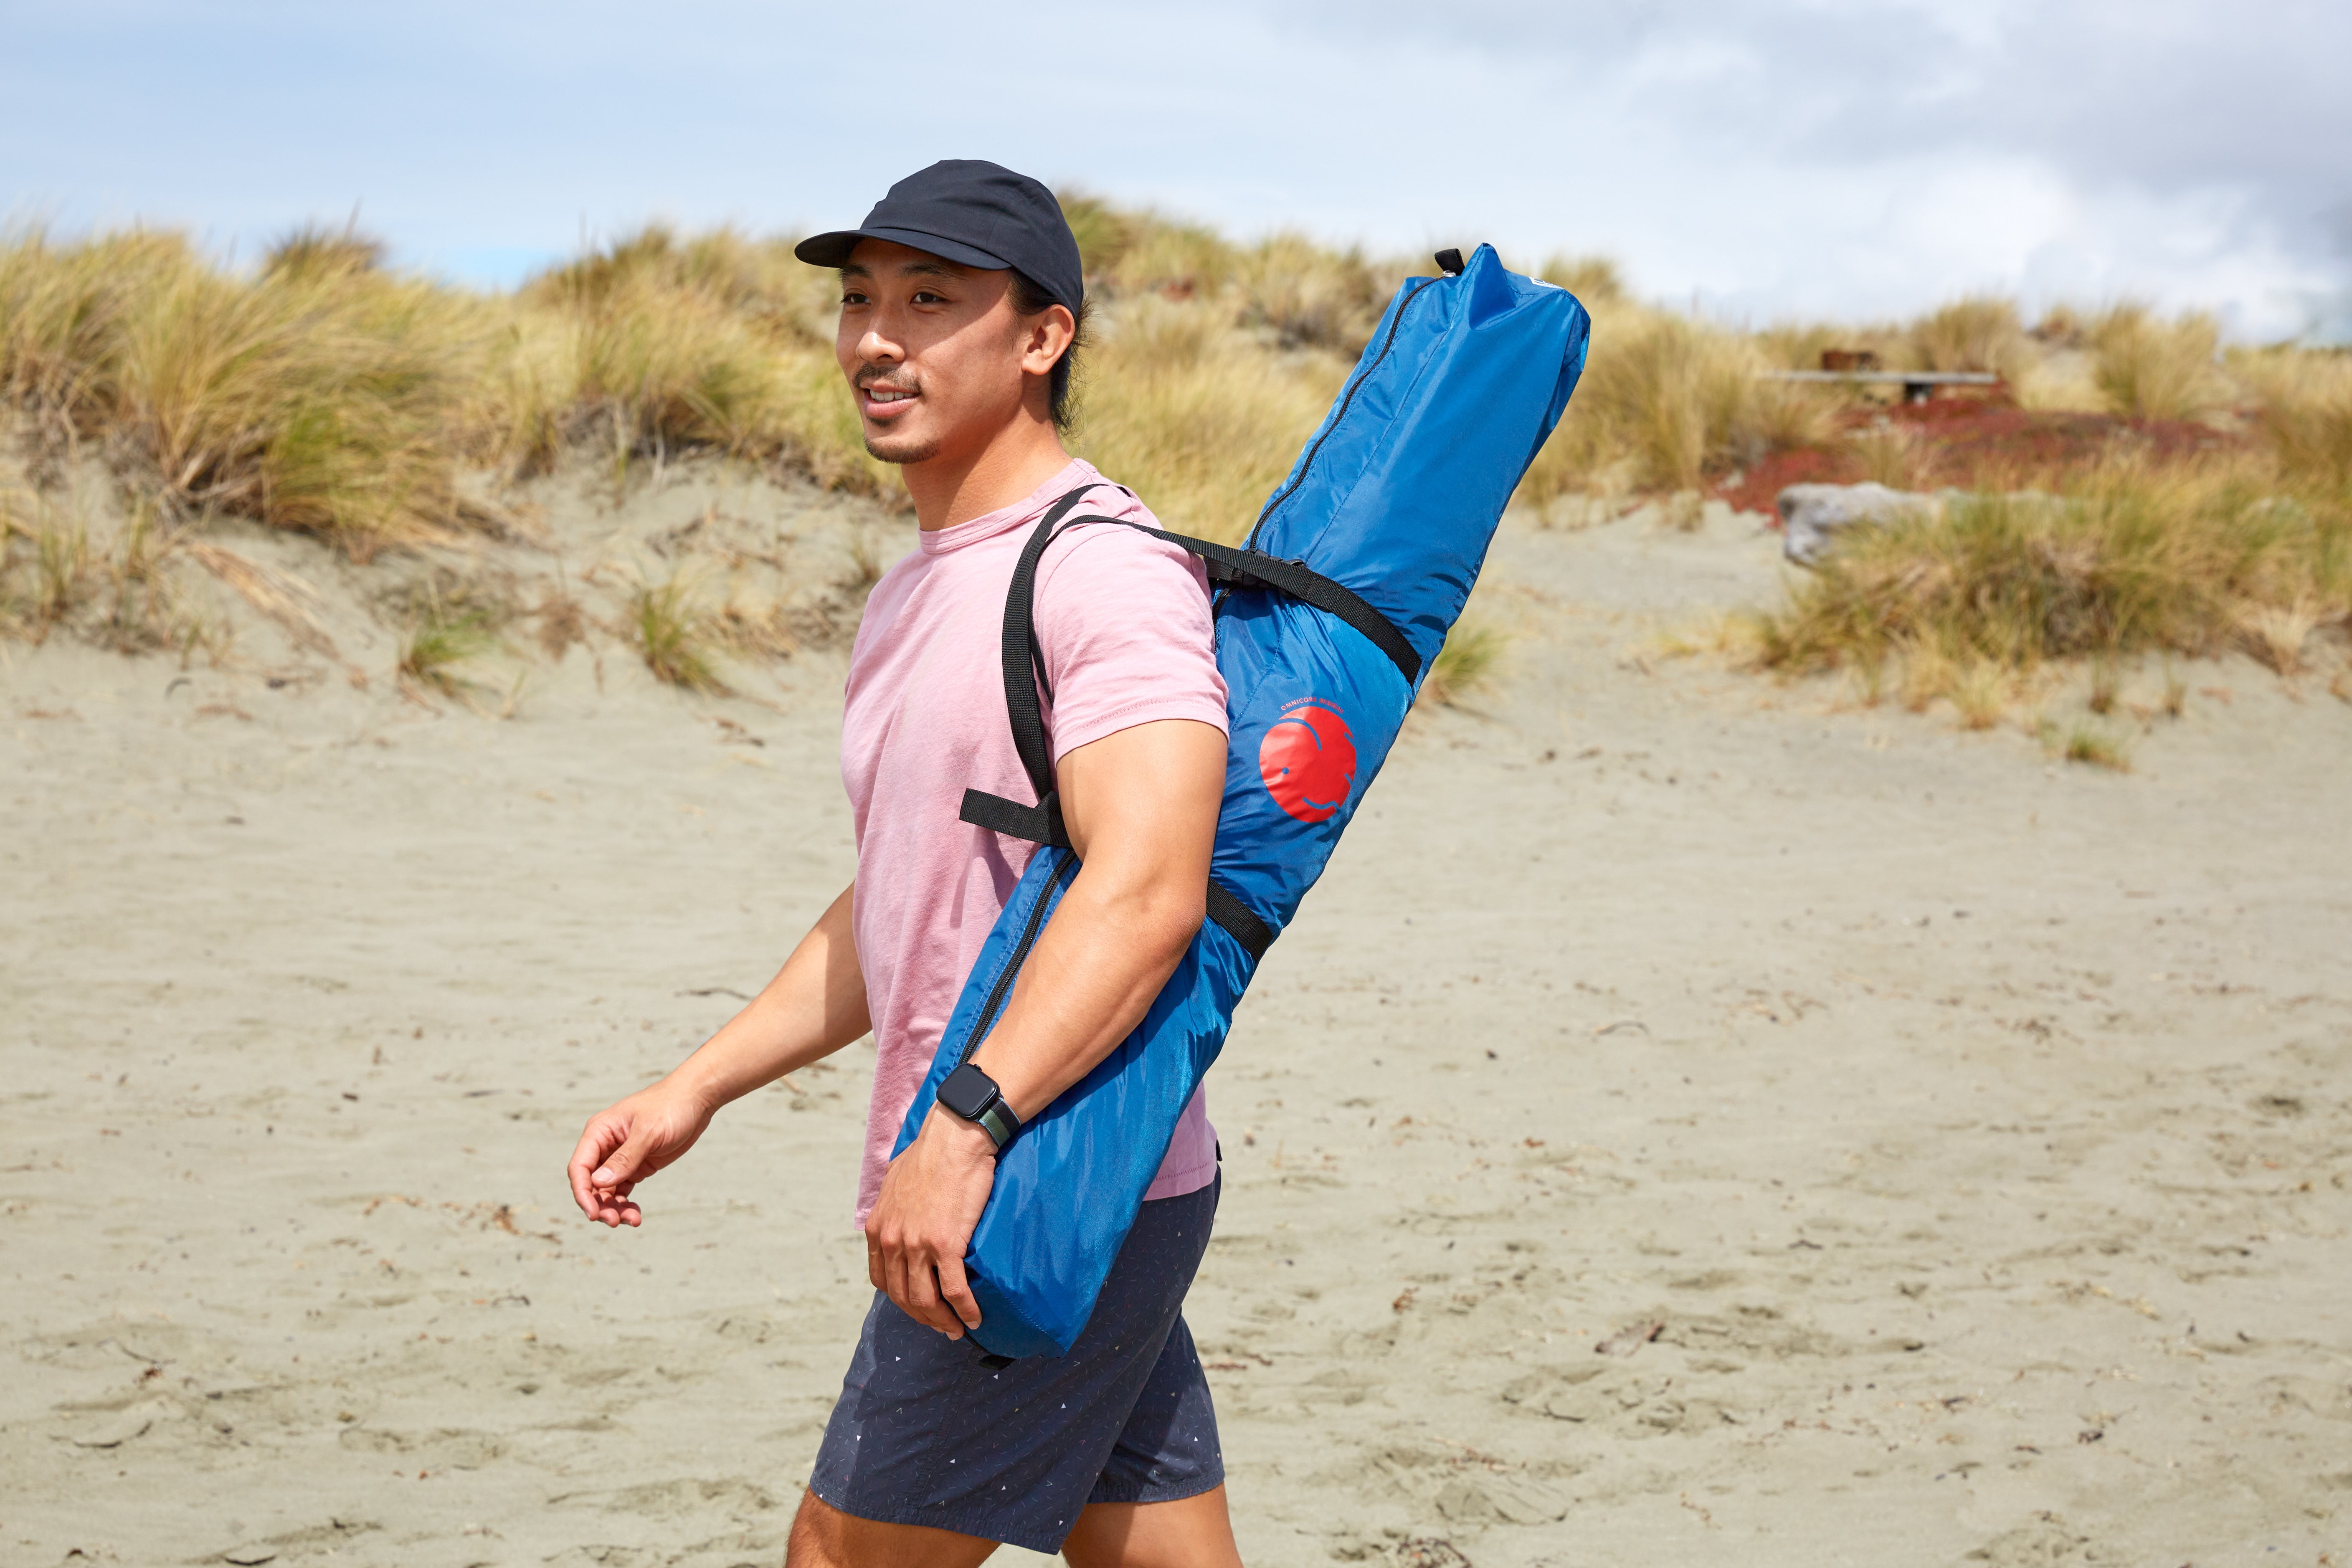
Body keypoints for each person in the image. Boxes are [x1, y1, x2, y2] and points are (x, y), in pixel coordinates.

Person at [566, 160, 1244, 1568]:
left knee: (839, 1554)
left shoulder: (1102, 570)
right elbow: (904, 897)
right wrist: (696, 1084)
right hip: (1089, 1174)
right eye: (861, 301)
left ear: (1043, 335)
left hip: (1032, 1174)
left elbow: (1148, 890)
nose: (878, 339)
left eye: (932, 302)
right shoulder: (919, 584)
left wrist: (961, 1133)